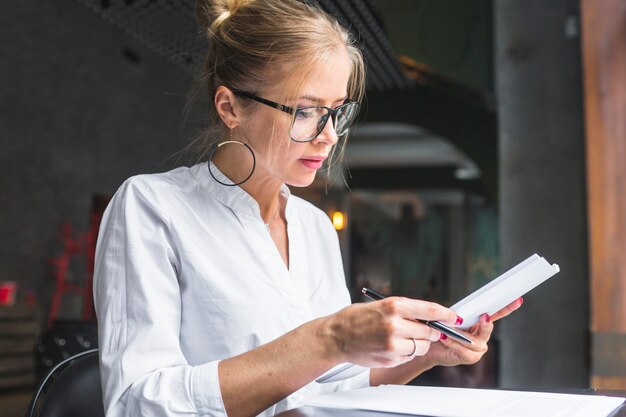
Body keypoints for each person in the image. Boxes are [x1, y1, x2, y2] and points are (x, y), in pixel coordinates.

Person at [93, 1, 523, 416]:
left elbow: (327, 388)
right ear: (229, 107)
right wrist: (329, 338)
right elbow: (138, 404)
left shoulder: (314, 226)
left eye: (337, 112)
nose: (329, 136)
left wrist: (428, 353)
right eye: (305, 111)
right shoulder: (152, 207)